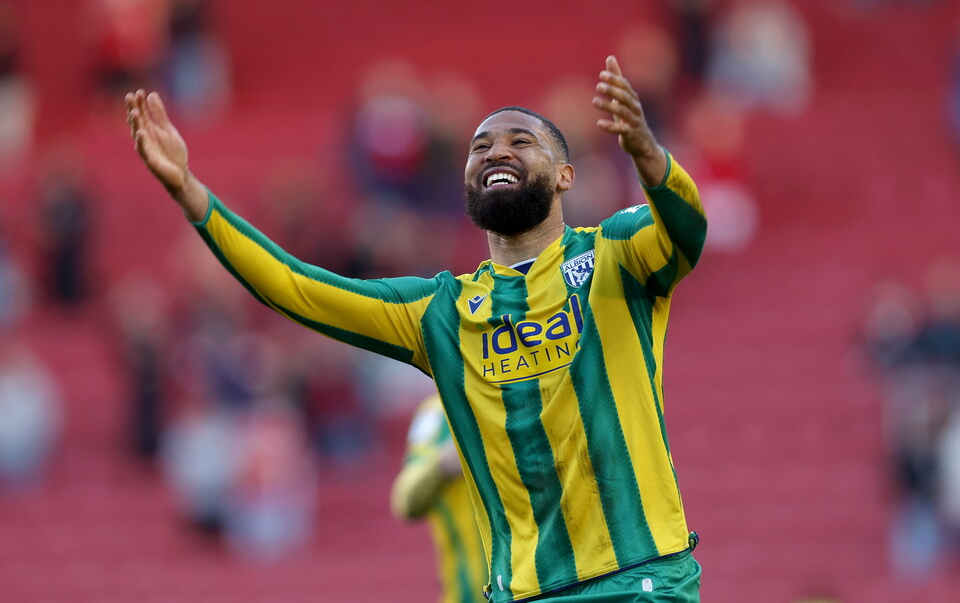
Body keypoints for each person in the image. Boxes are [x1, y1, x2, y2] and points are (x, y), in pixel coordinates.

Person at [125, 54, 707, 602]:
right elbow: (299, 289)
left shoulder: (615, 255)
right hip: (526, 591)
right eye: (480, 147)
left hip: (639, 578)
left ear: (564, 176)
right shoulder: (441, 313)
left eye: (519, 141)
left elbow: (687, 231)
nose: (495, 151)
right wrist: (192, 195)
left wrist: (650, 158)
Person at [391, 395, 489, 603]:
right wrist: (444, 463)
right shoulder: (436, 412)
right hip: (466, 594)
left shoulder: (527, 394)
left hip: (536, 588)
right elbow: (406, 500)